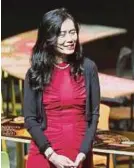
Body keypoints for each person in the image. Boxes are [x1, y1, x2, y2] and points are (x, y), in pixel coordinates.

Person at [23, 8, 100, 168]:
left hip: (79, 155)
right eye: (62, 34)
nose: (70, 39)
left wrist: (84, 152)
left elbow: (93, 116)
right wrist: (51, 155)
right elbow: (30, 120)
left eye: (72, 32)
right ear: (48, 38)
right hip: (45, 153)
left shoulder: (88, 68)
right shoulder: (34, 73)